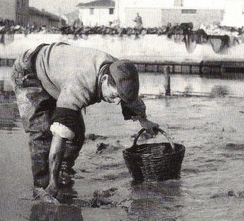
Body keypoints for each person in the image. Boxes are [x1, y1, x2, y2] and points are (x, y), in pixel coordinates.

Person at [11, 42, 159, 200]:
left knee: (77, 133)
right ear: (104, 79)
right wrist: (52, 182)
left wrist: (144, 120)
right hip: (29, 73)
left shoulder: (119, 69)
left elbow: (129, 96)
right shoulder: (80, 86)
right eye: (115, 96)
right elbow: (60, 136)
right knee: (41, 134)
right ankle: (43, 187)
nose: (116, 101)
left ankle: (63, 172)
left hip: (58, 71)